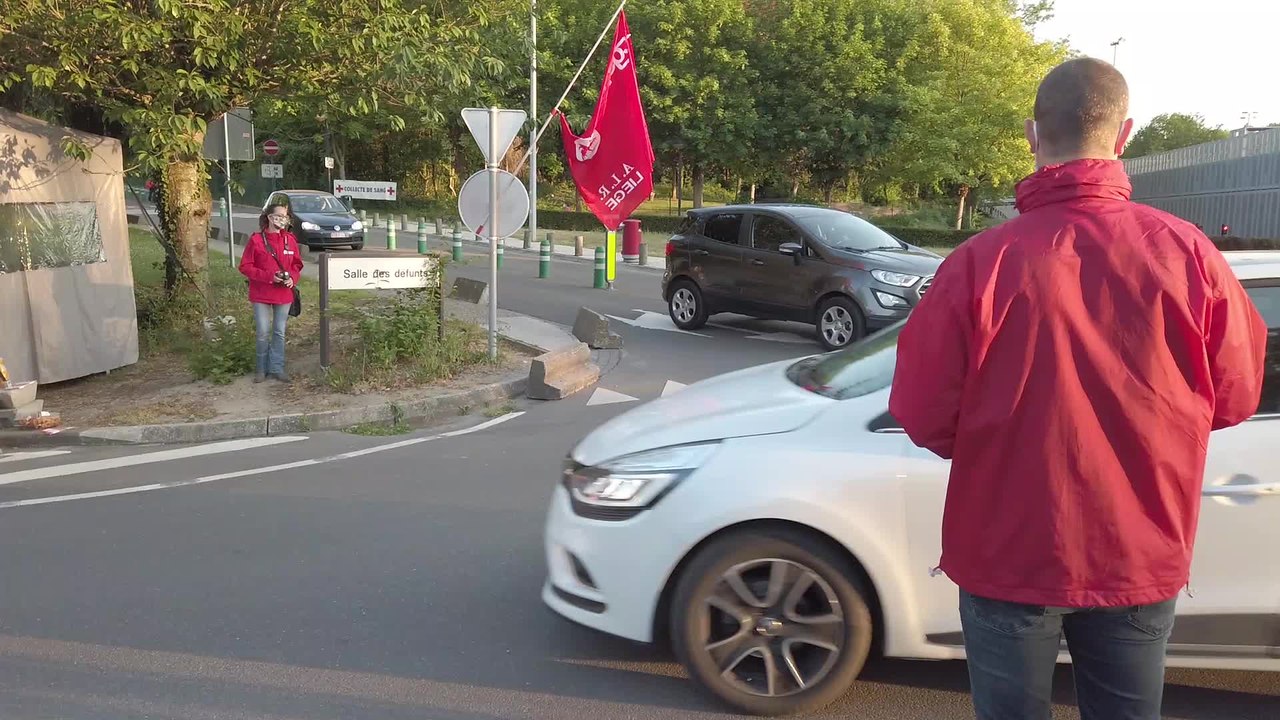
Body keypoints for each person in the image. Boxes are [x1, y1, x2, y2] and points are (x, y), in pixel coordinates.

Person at [888, 58, 1267, 720]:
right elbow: (1235, 396)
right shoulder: (1190, 255)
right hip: (1137, 547)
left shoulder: (978, 263)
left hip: (1007, 548)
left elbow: (922, 410)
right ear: (1124, 135)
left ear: (1033, 135)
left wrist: (1000, 447)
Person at [239, 204, 303, 383]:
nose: (283, 219)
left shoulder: (289, 240)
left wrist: (292, 278)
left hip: (283, 294)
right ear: (269, 217)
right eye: (279, 215)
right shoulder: (256, 240)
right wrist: (268, 277)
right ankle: (261, 369)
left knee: (279, 331)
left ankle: (277, 368)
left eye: (285, 216)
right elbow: (245, 266)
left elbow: (297, 265)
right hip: (261, 293)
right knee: (262, 332)